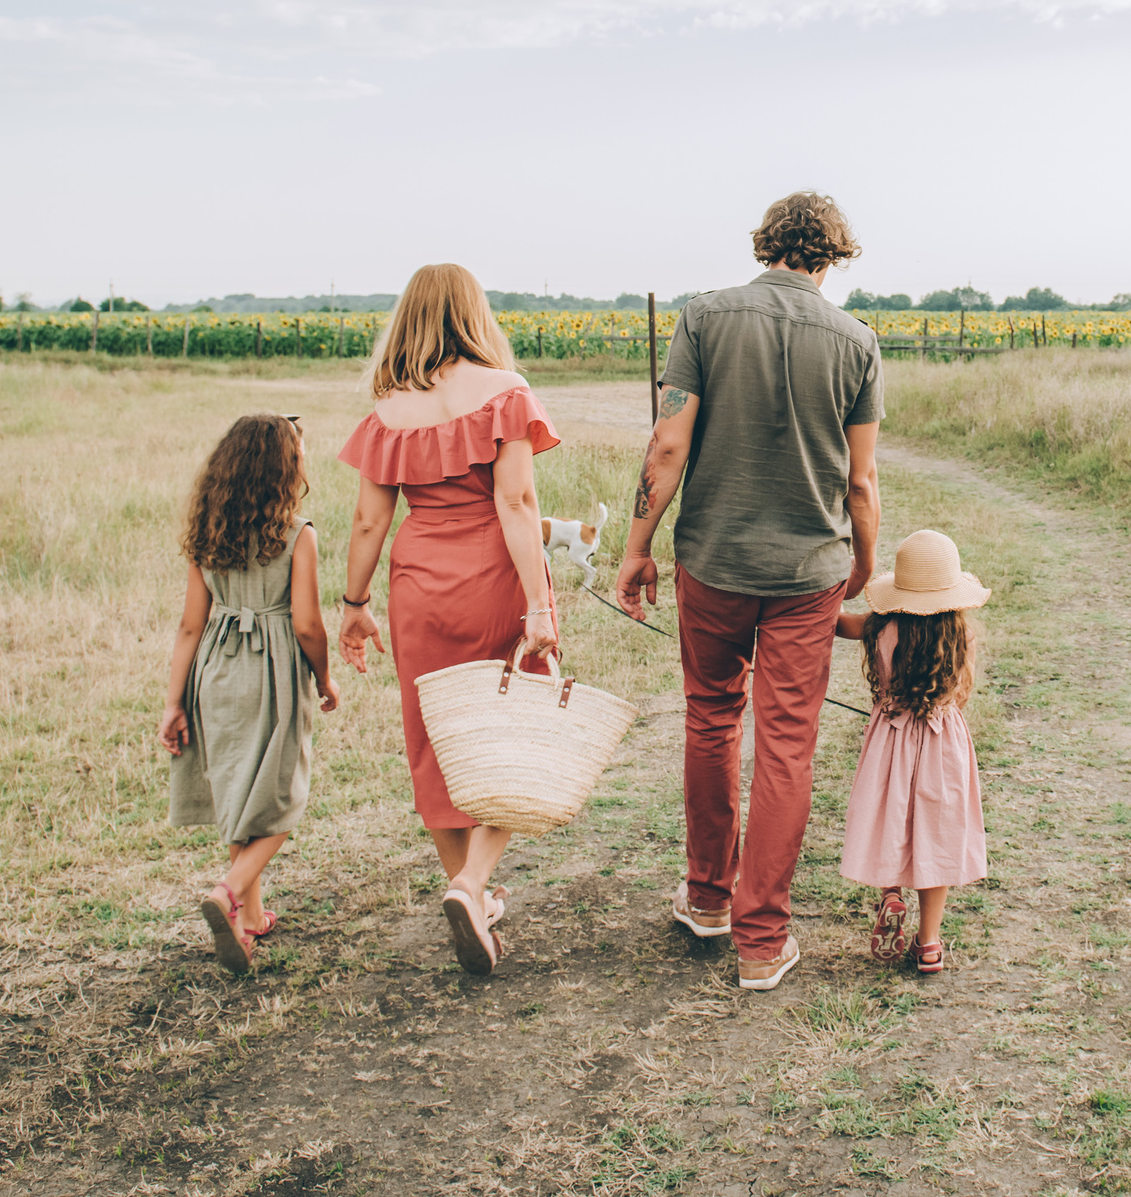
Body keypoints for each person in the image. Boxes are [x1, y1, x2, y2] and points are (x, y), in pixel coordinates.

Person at [615, 191, 883, 992]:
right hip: (808, 576)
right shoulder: (858, 342)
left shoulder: (703, 316)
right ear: (832, 257)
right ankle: (763, 941)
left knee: (710, 719)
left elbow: (668, 441)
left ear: (766, 243)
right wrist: (861, 568)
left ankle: (707, 900)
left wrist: (637, 547)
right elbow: (861, 482)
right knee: (787, 746)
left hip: (713, 560)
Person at [338, 264, 563, 977]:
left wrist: (353, 605)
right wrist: (540, 604)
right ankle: (473, 883)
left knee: (434, 736)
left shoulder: (386, 411)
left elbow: (371, 520)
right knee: (513, 730)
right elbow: (517, 505)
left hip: (418, 587)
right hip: (495, 579)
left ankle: (473, 888)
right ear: (476, 314)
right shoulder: (506, 394)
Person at [160, 414, 341, 975]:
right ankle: (229, 891)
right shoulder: (297, 534)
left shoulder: (207, 530)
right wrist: (326, 678)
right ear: (284, 470)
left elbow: (190, 625)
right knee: (282, 795)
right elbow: (308, 624)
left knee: (241, 791)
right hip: (274, 671)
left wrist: (173, 702)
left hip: (216, 671)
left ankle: (250, 918)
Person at [836, 530, 990, 976]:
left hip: (891, 738)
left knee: (890, 815)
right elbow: (961, 694)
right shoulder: (961, 634)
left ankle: (890, 893)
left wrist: (815, 604)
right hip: (943, 743)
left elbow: (836, 623)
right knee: (936, 832)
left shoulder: (881, 628)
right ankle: (929, 943)